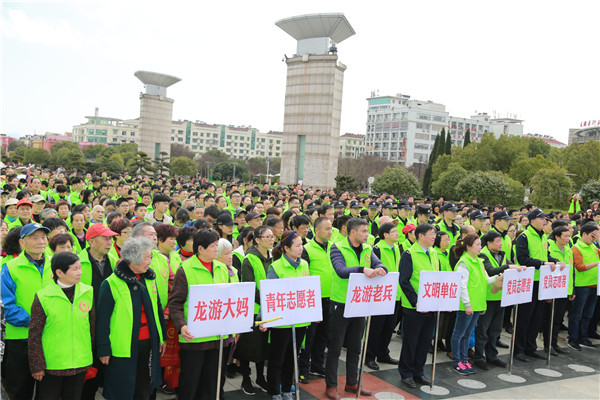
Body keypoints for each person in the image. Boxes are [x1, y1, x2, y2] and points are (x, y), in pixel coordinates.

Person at [96, 236, 166, 399]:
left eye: (151, 257)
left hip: (148, 341)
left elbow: (157, 309)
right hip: (123, 346)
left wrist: (161, 337)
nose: (150, 262)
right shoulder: (111, 284)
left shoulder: (149, 278)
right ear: (133, 259)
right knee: (123, 388)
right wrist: (103, 348)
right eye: (147, 257)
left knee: (146, 385)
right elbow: (103, 320)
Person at [325, 218, 387, 400]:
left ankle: (352, 381)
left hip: (360, 303)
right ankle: (331, 385)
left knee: (355, 346)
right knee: (335, 347)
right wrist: (362, 269)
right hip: (341, 303)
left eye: (367, 231)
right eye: (363, 231)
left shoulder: (368, 248)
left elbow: (379, 264)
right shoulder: (337, 247)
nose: (367, 234)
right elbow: (340, 270)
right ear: (352, 232)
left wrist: (381, 269)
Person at [167, 229, 233, 400]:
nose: (216, 249)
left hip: (218, 336)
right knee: (191, 381)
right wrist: (182, 326)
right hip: (194, 338)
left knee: (213, 381)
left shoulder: (221, 268)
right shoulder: (185, 269)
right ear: (200, 249)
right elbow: (175, 303)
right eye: (213, 246)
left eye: (217, 245)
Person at [28, 252, 94, 400]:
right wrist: (37, 365)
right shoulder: (43, 297)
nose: (80, 272)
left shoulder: (88, 291)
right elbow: (34, 334)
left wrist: (91, 356)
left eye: (80, 268)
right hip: (52, 364)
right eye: (75, 269)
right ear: (59, 272)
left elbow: (92, 327)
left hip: (80, 361)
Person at [1, 223, 52, 400]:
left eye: (43, 237)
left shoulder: (56, 264)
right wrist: (33, 322)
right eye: (34, 237)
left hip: (50, 337)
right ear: (22, 242)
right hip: (21, 339)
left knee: (49, 391)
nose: (41, 241)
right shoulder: (10, 268)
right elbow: (6, 305)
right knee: (19, 390)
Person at [514, 208, 564, 362]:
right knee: (524, 317)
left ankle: (531, 347)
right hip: (527, 282)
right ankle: (519, 349)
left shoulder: (543, 237)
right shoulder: (524, 236)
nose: (545, 221)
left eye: (546, 219)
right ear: (532, 220)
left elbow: (544, 255)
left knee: (537, 318)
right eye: (542, 218)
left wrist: (554, 260)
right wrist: (543, 263)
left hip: (541, 282)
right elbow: (523, 259)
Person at [266, 230, 310, 400]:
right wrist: (265, 319)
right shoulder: (276, 267)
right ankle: (274, 391)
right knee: (277, 359)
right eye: (297, 245)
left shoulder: (304, 264)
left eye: (301, 245)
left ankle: (286, 388)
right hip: (281, 321)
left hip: (299, 320)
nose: (301, 249)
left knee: (293, 357)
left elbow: (307, 290)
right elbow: (268, 294)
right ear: (286, 248)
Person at [451, 234, 504, 375]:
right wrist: (467, 304)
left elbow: (486, 281)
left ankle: (464, 360)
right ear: (468, 246)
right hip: (467, 306)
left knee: (467, 335)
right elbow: (462, 286)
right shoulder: (464, 262)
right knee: (459, 334)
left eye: (481, 244)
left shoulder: (478, 262)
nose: (480, 247)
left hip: (477, 304)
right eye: (478, 244)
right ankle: (457, 362)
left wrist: (501, 276)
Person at [398, 223, 438, 389]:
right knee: (411, 341)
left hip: (431, 305)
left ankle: (418, 371)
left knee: (425, 341)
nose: (434, 237)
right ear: (420, 236)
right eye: (431, 234)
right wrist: (416, 301)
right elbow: (404, 281)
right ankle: (406, 372)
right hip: (414, 307)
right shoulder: (409, 254)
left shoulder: (434, 253)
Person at [473, 231, 521, 370]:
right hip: (487, 298)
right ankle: (479, 356)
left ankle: (492, 356)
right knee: (483, 329)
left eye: (501, 241)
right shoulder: (482, 255)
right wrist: (508, 267)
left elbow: (512, 266)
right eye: (497, 241)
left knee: (495, 329)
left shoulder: (503, 255)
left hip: (501, 296)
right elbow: (490, 271)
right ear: (488, 243)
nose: (501, 244)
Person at [238, 225, 274, 394]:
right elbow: (249, 287)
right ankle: (246, 379)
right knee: (248, 347)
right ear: (258, 240)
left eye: (272, 236)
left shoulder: (273, 257)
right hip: (253, 309)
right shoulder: (249, 259)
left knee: (263, 347)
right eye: (267, 236)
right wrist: (268, 299)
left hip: (269, 308)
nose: (272, 239)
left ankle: (261, 377)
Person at [299, 217, 332, 383]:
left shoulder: (334, 247)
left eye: (331, 228)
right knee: (309, 336)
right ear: (317, 230)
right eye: (327, 228)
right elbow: (305, 276)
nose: (330, 231)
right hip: (314, 300)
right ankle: (303, 367)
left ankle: (317, 365)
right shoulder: (307, 249)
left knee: (324, 336)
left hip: (331, 297)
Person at [366, 223, 401, 371]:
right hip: (380, 294)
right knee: (376, 327)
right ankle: (370, 356)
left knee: (388, 327)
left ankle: (383, 353)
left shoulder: (397, 249)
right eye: (394, 231)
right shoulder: (377, 249)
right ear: (385, 234)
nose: (397, 233)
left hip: (394, 293)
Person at [568, 222, 600, 350]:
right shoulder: (576, 248)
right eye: (592, 235)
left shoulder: (593, 247)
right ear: (584, 234)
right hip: (582, 286)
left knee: (588, 314)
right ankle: (573, 338)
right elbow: (579, 267)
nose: (593, 238)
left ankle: (583, 337)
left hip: (594, 285)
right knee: (577, 314)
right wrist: (597, 263)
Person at [545, 225, 574, 354]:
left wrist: (571, 290)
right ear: (557, 237)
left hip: (564, 289)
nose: (568, 238)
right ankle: (548, 344)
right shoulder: (550, 249)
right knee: (550, 318)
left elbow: (571, 271)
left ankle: (555, 343)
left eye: (569, 236)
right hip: (553, 289)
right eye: (565, 236)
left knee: (558, 319)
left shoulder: (568, 250)